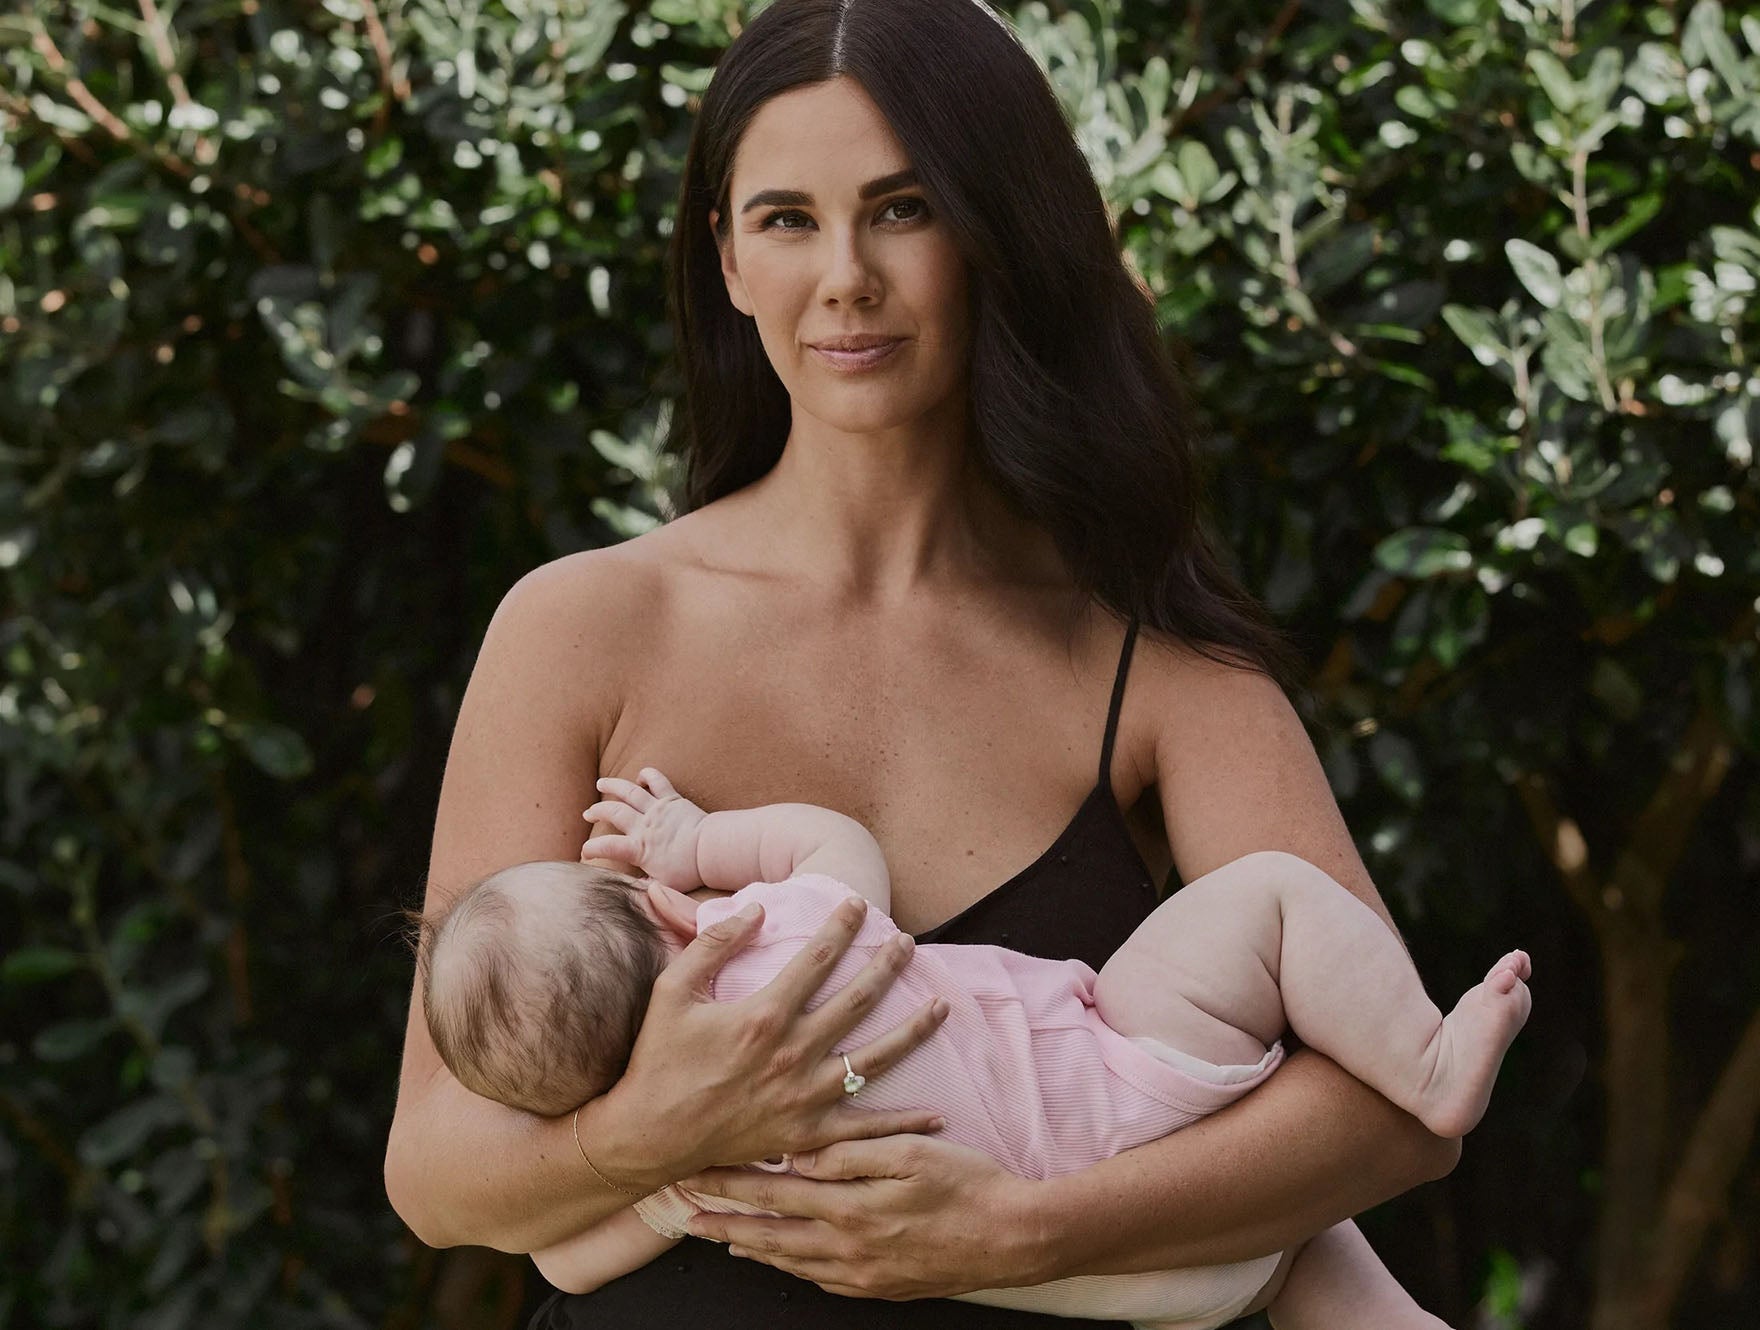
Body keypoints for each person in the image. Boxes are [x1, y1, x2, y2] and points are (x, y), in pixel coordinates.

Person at [383, 1, 1466, 1326]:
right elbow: (436, 1172)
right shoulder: (581, 629)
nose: (845, 276)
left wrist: (1021, 1230)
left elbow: (1400, 1110)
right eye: (786, 219)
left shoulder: (1165, 675)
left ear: (998, 236)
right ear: (727, 258)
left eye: (902, 209)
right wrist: (644, 1135)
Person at [412, 772, 1528, 1328]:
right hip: (1145, 1127)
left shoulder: (691, 1181)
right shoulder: (783, 936)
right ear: (662, 912)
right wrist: (692, 840)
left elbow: (558, 1264)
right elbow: (837, 845)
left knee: (1283, 1244)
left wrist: (632, 1149)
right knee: (1271, 904)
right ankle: (1423, 1064)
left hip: (1124, 1287)